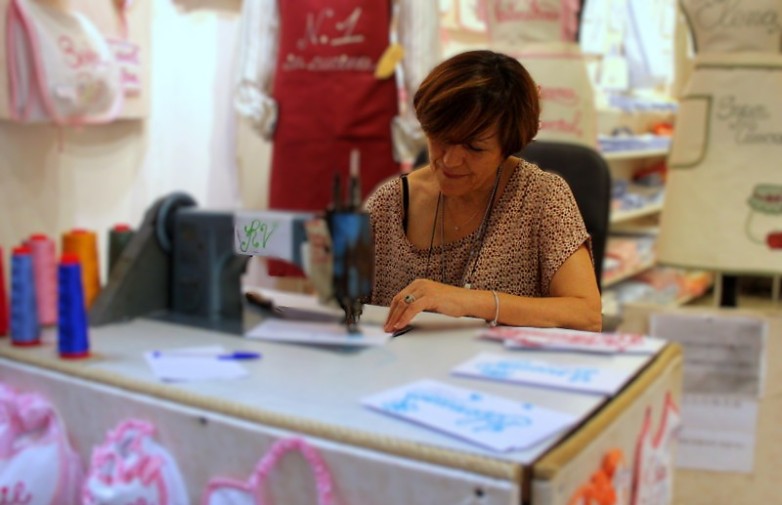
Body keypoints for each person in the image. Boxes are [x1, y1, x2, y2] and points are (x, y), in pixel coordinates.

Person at [365, 50, 602, 333]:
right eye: (440, 138)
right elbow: (344, 309)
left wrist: (470, 302)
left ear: (508, 145)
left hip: (501, 373)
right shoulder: (388, 204)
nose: (450, 161)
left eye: (474, 148)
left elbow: (587, 313)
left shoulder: (542, 198)